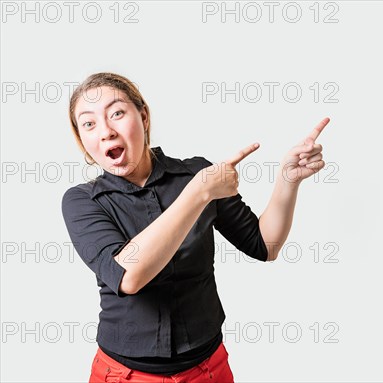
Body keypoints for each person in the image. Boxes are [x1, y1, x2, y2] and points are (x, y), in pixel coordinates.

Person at [61, 72, 330, 382]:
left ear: (144, 116)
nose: (106, 131)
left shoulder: (197, 174)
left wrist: (288, 179)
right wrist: (198, 193)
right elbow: (128, 276)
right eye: (89, 124)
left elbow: (265, 245)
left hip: (208, 368)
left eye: (117, 113)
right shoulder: (82, 202)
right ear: (83, 139)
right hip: (125, 375)